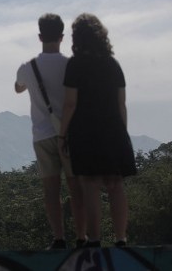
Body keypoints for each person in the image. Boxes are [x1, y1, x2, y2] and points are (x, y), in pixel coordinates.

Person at [59, 13, 137, 248]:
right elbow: (121, 103)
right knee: (115, 184)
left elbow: (70, 103)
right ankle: (121, 238)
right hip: (113, 128)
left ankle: (94, 240)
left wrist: (63, 134)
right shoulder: (113, 64)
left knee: (90, 184)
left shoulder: (75, 64)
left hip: (85, 131)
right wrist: (121, 132)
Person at [15, 13, 86, 249]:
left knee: (51, 190)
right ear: (62, 37)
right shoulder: (71, 65)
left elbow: (18, 88)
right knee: (76, 188)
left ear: (40, 36)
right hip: (72, 134)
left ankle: (58, 238)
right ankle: (82, 237)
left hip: (42, 135)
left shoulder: (27, 68)